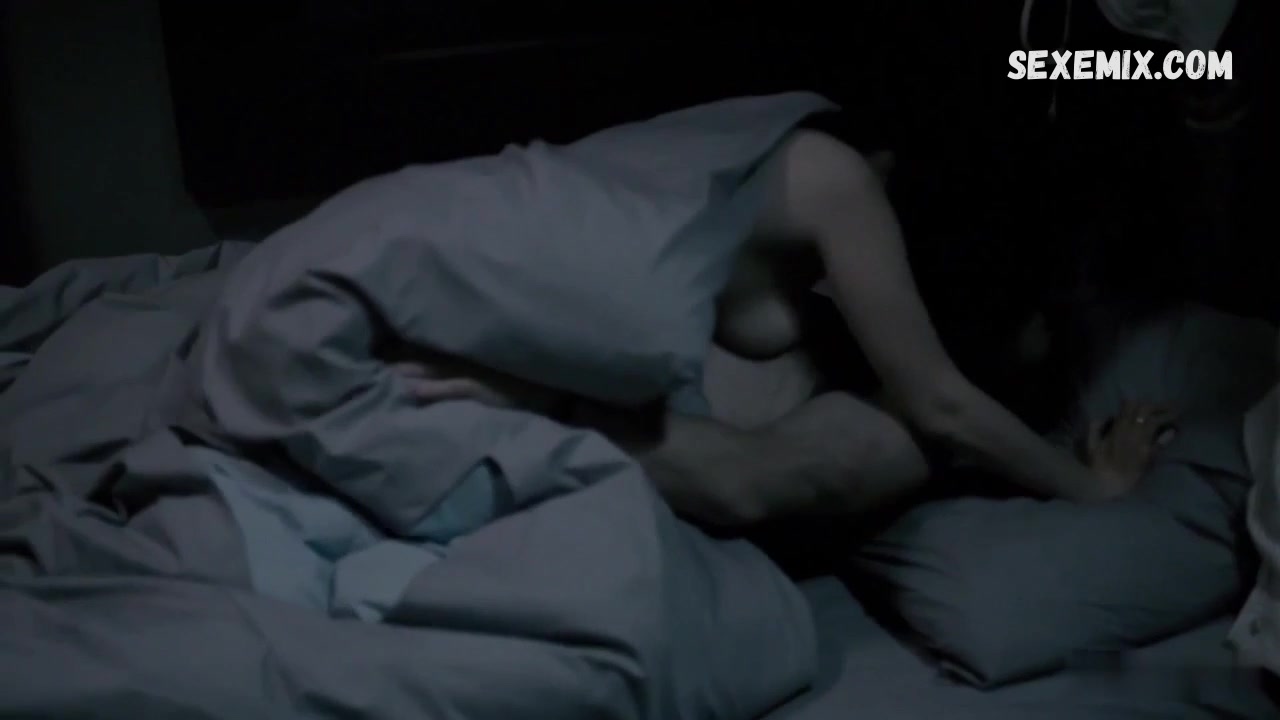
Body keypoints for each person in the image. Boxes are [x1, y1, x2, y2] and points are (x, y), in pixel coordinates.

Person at [390, 126, 1176, 529]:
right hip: (459, 270)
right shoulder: (831, 178)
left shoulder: (811, 232)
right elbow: (942, 402)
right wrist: (1089, 487)